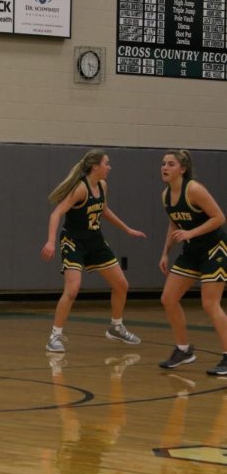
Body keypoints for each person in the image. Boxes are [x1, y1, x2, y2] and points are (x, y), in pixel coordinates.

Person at [40, 149, 146, 353]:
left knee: (122, 284)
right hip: (74, 241)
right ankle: (54, 336)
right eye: (107, 163)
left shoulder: (103, 185)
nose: (110, 167)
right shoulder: (80, 188)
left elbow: (104, 210)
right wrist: (51, 242)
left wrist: (127, 229)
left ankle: (116, 327)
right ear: (95, 166)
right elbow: (56, 214)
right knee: (72, 289)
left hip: (95, 241)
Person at [158, 149, 227, 374]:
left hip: (214, 249)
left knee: (210, 303)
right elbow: (173, 224)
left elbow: (219, 218)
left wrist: (191, 233)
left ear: (182, 169)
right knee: (168, 298)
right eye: (163, 163)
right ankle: (183, 350)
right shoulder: (166, 195)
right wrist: (165, 252)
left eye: (170, 164)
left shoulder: (194, 189)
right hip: (191, 250)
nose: (165, 167)